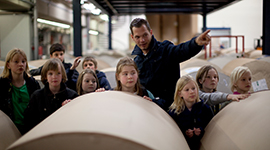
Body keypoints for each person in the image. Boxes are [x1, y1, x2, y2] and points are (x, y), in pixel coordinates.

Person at [130, 18, 211, 110]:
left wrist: (196, 43)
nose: (142, 40)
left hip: (170, 109)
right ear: (132, 37)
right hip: (148, 109)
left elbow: (182, 50)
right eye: (138, 37)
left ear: (151, 32)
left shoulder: (166, 50)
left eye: (145, 35)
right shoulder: (136, 62)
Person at [24, 58, 78, 132]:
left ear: (63, 75)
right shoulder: (37, 96)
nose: (54, 77)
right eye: (50, 74)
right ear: (45, 76)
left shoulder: (72, 96)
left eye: (58, 73)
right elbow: (29, 121)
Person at [0, 48, 40, 135]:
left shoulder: (33, 84)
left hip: (30, 130)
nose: (20, 64)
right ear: (8, 65)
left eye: (23, 61)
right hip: (9, 131)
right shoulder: (2, 86)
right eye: (16, 62)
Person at [168, 75, 213, 150]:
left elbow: (212, 128)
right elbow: (172, 133)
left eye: (193, 88)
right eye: (187, 90)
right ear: (180, 93)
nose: (191, 92)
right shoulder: (174, 112)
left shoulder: (205, 108)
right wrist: (185, 133)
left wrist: (201, 130)